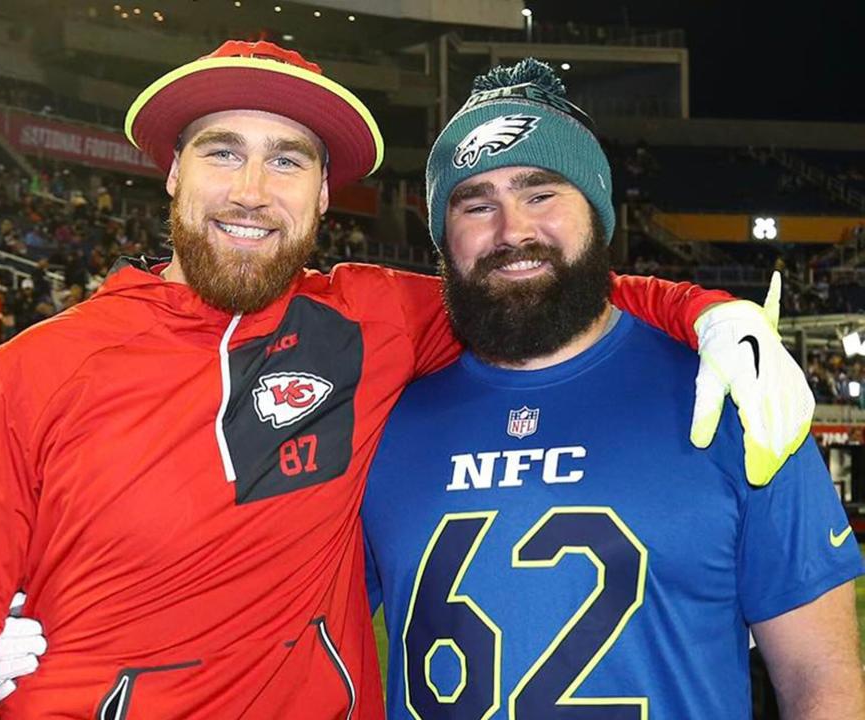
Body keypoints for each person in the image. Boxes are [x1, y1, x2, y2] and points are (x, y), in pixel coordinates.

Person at [0, 42, 812, 719]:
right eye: (223, 151)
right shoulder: (41, 369)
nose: (253, 189)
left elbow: (534, 271)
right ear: (173, 173)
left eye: (288, 159)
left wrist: (707, 312)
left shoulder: (371, 320)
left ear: (324, 194)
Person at [360, 59, 864, 720]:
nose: (512, 230)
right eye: (476, 204)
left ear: (597, 213)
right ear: (442, 240)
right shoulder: (384, 420)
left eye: (541, 194)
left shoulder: (734, 394)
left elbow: (819, 676)